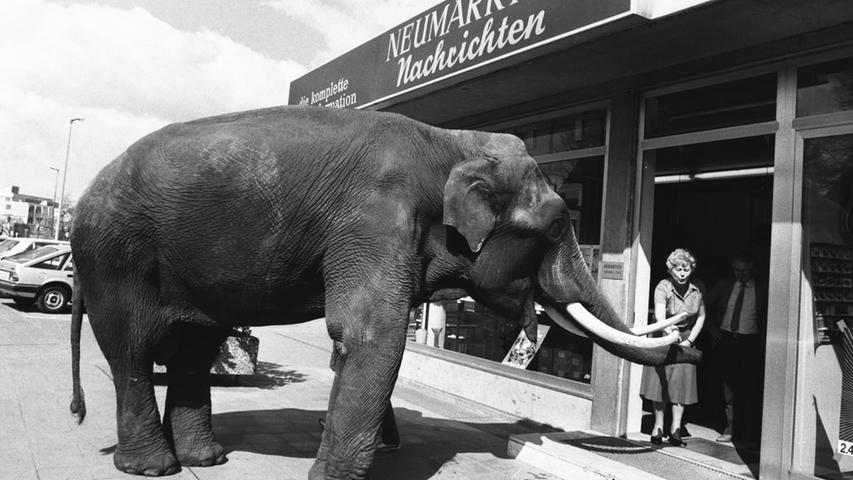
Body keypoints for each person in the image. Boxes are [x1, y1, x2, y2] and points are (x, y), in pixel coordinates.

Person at [640, 249, 706, 447]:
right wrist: (669, 331)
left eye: (686, 269)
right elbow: (660, 315)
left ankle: (675, 430)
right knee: (660, 384)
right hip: (663, 337)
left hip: (686, 339)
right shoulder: (663, 286)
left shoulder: (697, 289)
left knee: (681, 385)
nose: (682, 273)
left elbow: (701, 317)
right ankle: (658, 426)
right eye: (678, 269)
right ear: (671, 270)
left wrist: (689, 341)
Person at [705, 254, 766, 446]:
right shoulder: (724, 284)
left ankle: (749, 435)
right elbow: (703, 305)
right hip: (727, 341)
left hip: (751, 343)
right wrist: (711, 327)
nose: (740, 274)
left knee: (750, 389)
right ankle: (730, 429)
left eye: (745, 270)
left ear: (753, 269)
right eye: (737, 270)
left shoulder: (763, 288)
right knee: (728, 389)